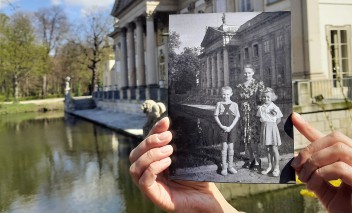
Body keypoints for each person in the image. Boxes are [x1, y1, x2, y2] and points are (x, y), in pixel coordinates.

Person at [129, 113, 352, 212]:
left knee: (264, 149)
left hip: (258, 127)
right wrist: (213, 206)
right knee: (240, 148)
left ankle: (255, 165)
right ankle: (231, 166)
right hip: (242, 126)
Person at [234, 64, 265, 171]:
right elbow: (237, 100)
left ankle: (257, 160)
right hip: (243, 115)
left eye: (249, 72)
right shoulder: (240, 86)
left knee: (253, 138)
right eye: (245, 72)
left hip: (253, 114)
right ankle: (251, 159)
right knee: (246, 138)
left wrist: (261, 110)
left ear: (253, 73)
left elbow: (262, 100)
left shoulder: (258, 85)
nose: (247, 74)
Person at [257, 88, 283, 177]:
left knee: (274, 149)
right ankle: (269, 166)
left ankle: (276, 167)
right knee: (268, 149)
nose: (266, 99)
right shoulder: (261, 108)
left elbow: (279, 118)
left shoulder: (275, 107)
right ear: (262, 98)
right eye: (264, 97)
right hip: (265, 128)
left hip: (272, 128)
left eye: (268, 97)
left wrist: (273, 126)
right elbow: (259, 118)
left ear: (272, 97)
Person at [214, 86, 240, 176]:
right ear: (221, 94)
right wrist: (221, 126)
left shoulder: (235, 104)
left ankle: (230, 166)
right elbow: (216, 116)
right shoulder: (219, 104)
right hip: (223, 128)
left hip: (232, 128)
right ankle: (224, 167)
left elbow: (237, 116)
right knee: (224, 148)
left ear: (231, 94)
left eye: (227, 94)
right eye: (224, 94)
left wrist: (231, 127)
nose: (226, 96)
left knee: (231, 148)